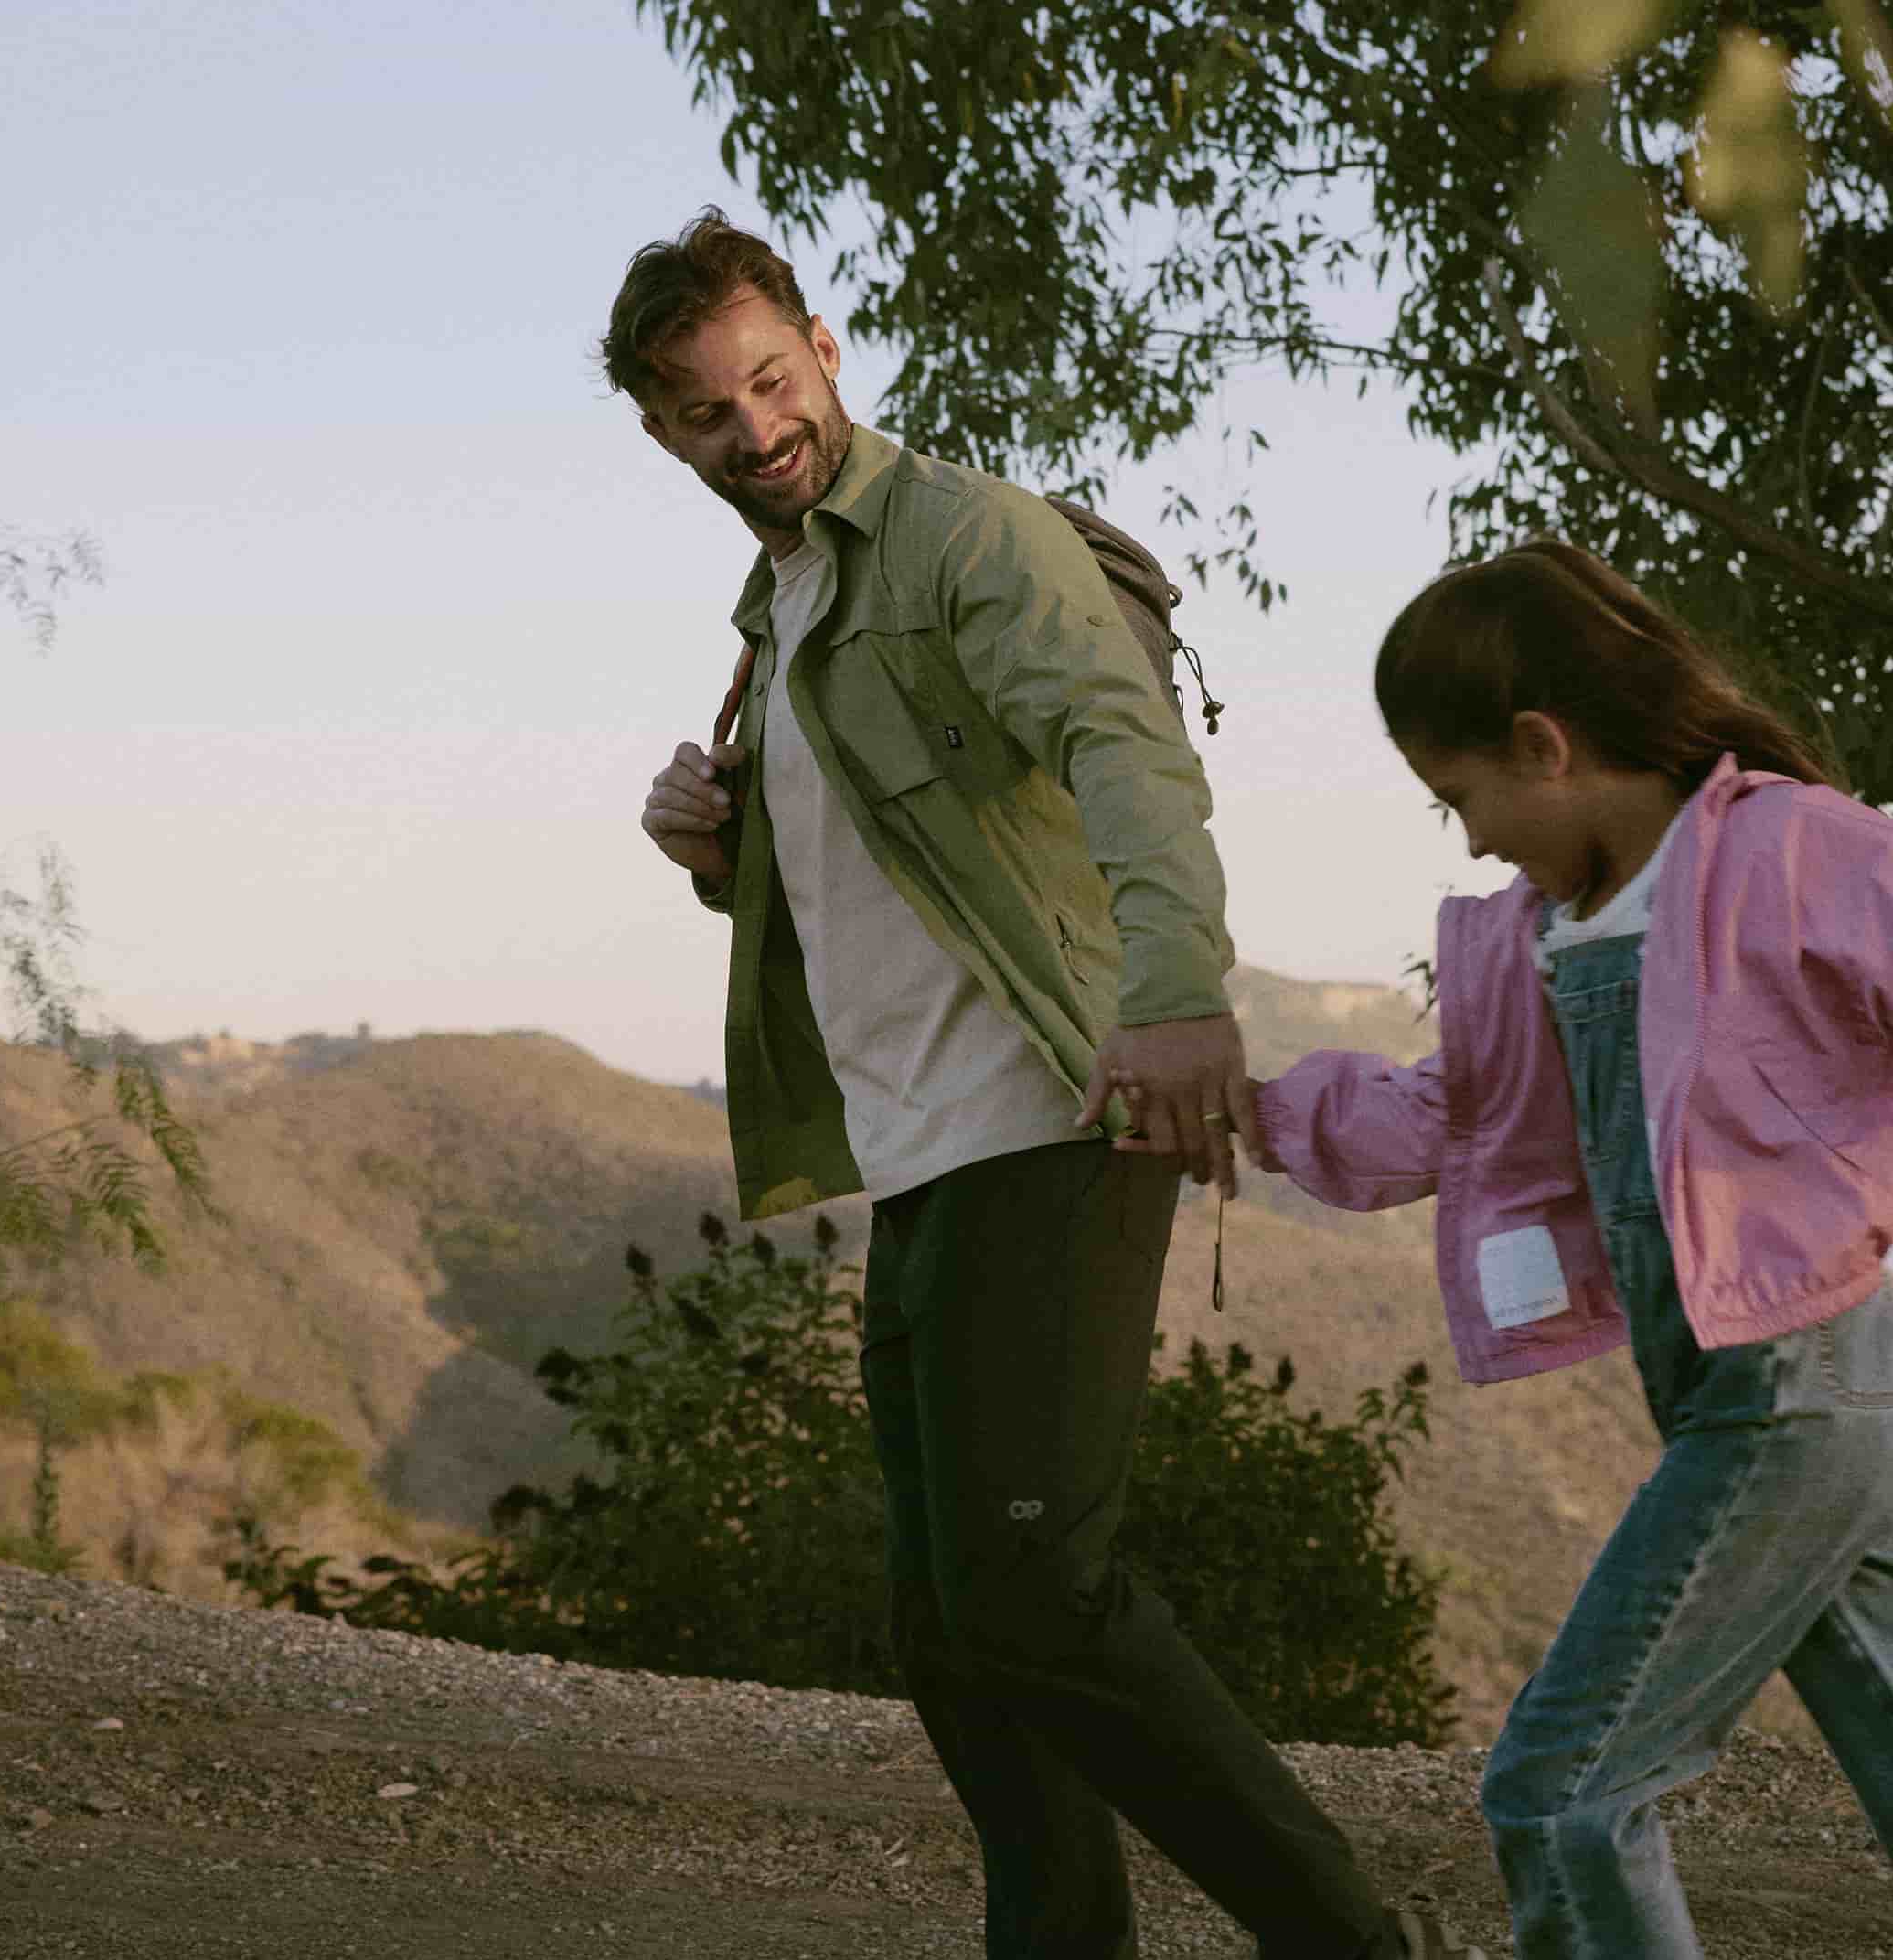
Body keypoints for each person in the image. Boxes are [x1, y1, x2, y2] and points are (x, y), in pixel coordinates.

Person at [1114, 540, 1893, 1959]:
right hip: (1752, 1394)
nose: (1471, 842)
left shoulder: (1787, 851)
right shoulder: (1548, 930)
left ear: (1541, 747)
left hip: (1793, 1395)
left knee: (1559, 1792)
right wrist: (1249, 1116)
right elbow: (1453, 1121)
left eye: (1460, 798)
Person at [615, 208, 1482, 1960]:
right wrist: (713, 845)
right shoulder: (777, 609)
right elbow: (883, 859)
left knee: (1035, 1588)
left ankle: (1349, 1944)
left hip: (1061, 1100)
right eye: (709, 412)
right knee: (952, 1624)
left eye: (770, 381)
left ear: (824, 347)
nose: (755, 428)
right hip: (926, 1142)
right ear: (661, 430)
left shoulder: (964, 534)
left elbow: (1120, 747)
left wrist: (1181, 1004)